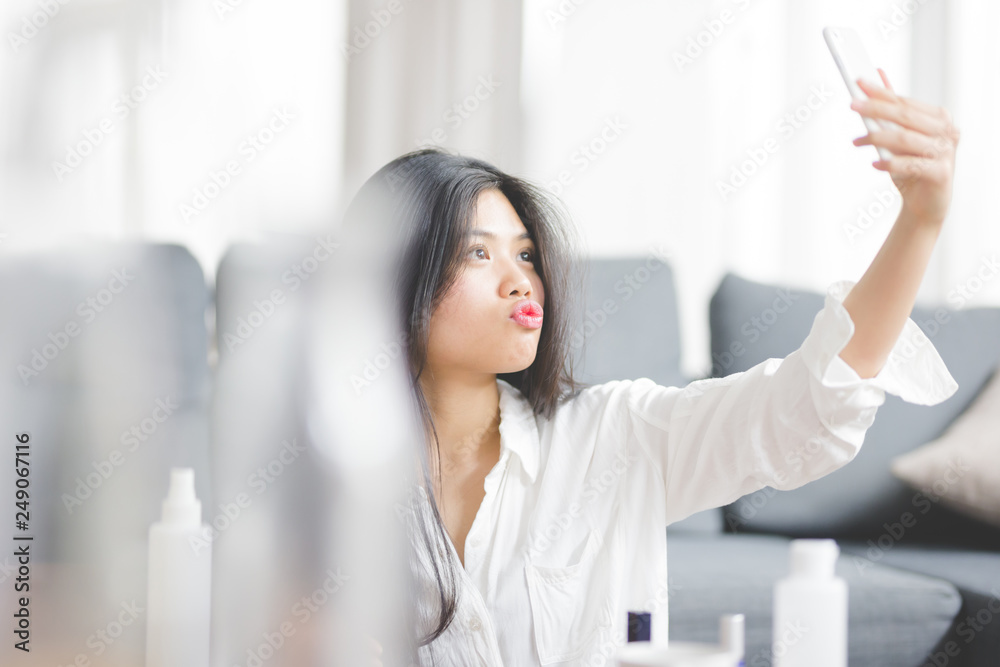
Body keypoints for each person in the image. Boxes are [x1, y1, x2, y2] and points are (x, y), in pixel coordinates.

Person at [345, 68, 961, 666]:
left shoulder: (611, 435)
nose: (521, 281)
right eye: (478, 253)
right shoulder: (336, 485)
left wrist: (920, 219)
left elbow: (804, 409)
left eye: (526, 254)